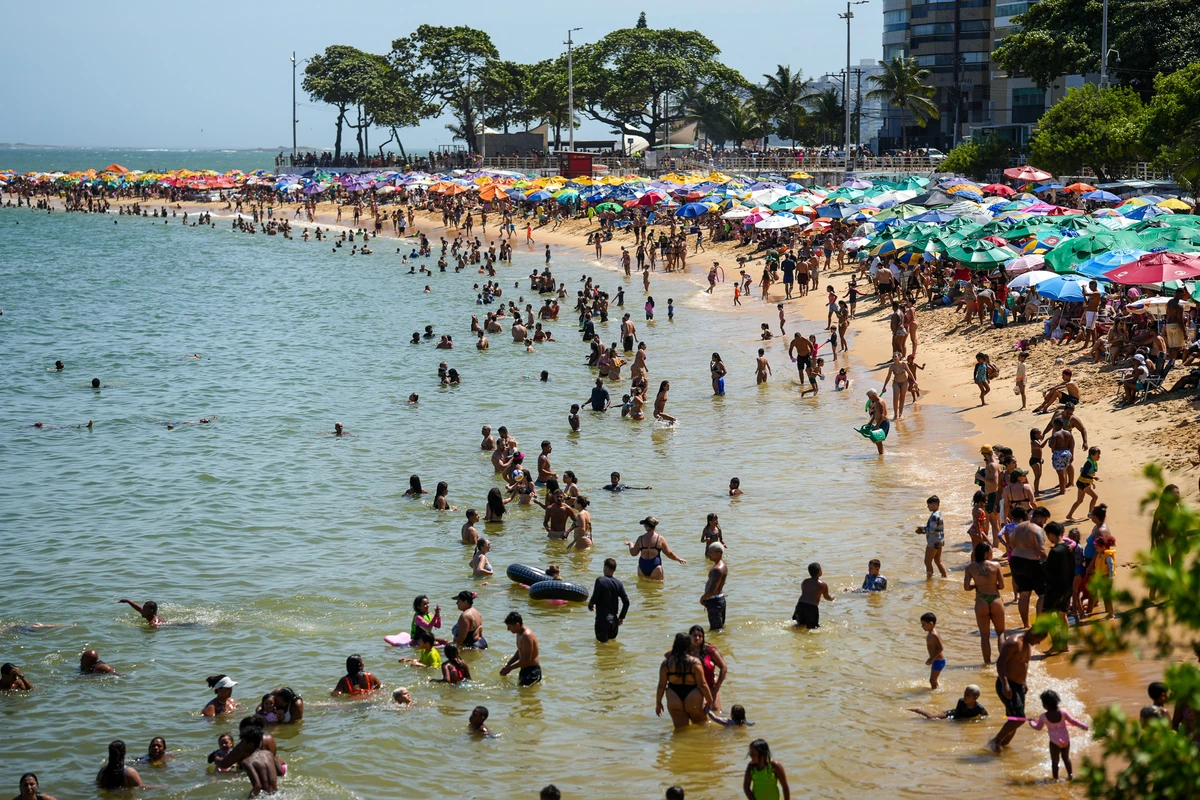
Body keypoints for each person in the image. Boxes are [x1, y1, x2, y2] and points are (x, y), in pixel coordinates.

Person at [988, 629, 1049, 752]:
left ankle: (1003, 747)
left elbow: (1024, 664)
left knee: (1013, 720)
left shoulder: (1027, 643)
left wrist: (1024, 682)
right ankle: (995, 741)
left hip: (1019, 686)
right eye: (1038, 640)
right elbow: (1000, 663)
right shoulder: (1014, 642)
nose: (1038, 643)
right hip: (1008, 685)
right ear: (1033, 633)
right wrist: (1005, 684)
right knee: (1019, 718)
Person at [1027, 689, 1089, 780]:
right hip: (1066, 740)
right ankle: (1070, 775)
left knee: (1055, 762)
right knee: (1066, 758)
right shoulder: (1063, 712)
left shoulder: (1043, 717)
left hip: (1054, 743)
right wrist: (1083, 726)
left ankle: (1055, 779)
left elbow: (1038, 727)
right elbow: (1073, 721)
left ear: (1045, 705)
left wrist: (1031, 722)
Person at [656, 632, 713, 727]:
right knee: (702, 727)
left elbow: (661, 686)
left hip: (674, 697)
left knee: (680, 731)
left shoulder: (666, 664)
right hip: (693, 696)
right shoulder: (695, 663)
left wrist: (658, 703)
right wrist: (710, 700)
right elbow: (702, 685)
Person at [964, 542, 1006, 665]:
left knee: (984, 636)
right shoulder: (996, 565)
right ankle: (1003, 661)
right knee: (1001, 633)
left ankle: (987, 663)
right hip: (995, 599)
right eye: (991, 551)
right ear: (987, 553)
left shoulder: (970, 568)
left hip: (981, 600)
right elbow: (1002, 586)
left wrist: (977, 585)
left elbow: (966, 587)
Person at [589, 557, 630, 643]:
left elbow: (595, 596)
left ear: (606, 568)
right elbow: (626, 602)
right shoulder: (618, 583)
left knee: (602, 647)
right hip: (614, 622)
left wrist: (590, 605)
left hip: (602, 620)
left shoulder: (600, 580)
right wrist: (621, 617)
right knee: (611, 644)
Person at [688, 625, 728, 711]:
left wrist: (716, 687)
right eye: (694, 635)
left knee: (717, 710)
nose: (697, 638)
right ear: (689, 637)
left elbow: (724, 667)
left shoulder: (710, 650)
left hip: (711, 687)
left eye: (700, 636)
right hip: (693, 689)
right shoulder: (686, 651)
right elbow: (668, 655)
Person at [237, 726, 281, 797]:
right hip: (278, 794)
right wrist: (278, 761)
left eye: (242, 742)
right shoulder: (269, 754)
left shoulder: (247, 762)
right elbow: (280, 772)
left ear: (250, 745)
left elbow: (257, 786)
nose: (240, 745)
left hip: (265, 797)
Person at [500, 612, 541, 687]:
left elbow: (526, 660)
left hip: (532, 672)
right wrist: (508, 664)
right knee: (521, 695)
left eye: (509, 626)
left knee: (526, 697)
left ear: (517, 625)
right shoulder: (519, 632)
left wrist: (510, 669)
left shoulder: (526, 636)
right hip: (525, 670)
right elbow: (520, 650)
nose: (508, 629)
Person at [908, 684, 988, 720]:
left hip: (959, 716)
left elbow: (985, 716)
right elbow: (957, 715)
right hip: (952, 713)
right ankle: (919, 710)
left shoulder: (979, 708)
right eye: (964, 693)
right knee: (931, 718)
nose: (964, 696)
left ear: (975, 697)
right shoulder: (961, 701)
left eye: (967, 695)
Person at [793, 562, 833, 629]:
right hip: (811, 608)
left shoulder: (805, 582)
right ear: (819, 571)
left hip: (800, 605)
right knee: (813, 628)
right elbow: (826, 597)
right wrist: (832, 598)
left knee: (799, 624)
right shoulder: (823, 585)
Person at [1067, 446, 1102, 520]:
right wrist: (1093, 478)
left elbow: (1089, 474)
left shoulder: (1093, 462)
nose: (1099, 456)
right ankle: (1090, 514)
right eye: (1098, 455)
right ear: (1092, 455)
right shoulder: (1088, 464)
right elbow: (1083, 474)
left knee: (1079, 501)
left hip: (1082, 482)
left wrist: (1091, 482)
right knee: (1095, 497)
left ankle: (1069, 515)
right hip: (1083, 483)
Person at [701, 543, 728, 631]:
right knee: (720, 628)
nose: (709, 554)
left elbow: (712, 591)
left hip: (715, 602)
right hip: (719, 600)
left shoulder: (717, 569)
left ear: (719, 553)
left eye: (711, 553)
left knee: (715, 631)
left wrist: (702, 599)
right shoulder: (723, 564)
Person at [920, 612, 945, 689]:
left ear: (931, 624)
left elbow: (941, 647)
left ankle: (935, 695)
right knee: (934, 680)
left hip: (938, 660)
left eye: (924, 624)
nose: (922, 626)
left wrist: (931, 658)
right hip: (936, 660)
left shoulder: (934, 635)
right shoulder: (931, 633)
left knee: (932, 680)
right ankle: (938, 689)